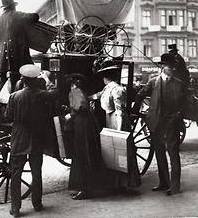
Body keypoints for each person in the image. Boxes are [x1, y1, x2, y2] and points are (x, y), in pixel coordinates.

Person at [5, 64, 59, 217]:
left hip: (19, 138)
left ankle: (15, 208)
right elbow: (55, 92)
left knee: (16, 174)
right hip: (36, 138)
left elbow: (8, 117)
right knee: (37, 172)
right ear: (35, 80)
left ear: (23, 80)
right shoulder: (41, 94)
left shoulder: (14, 96)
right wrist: (47, 79)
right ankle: (37, 204)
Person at [132, 53, 186, 196]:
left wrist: (178, 115)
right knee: (159, 153)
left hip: (172, 123)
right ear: (163, 67)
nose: (172, 69)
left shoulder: (179, 83)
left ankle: (175, 186)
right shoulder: (153, 81)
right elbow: (140, 95)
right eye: (169, 67)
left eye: (173, 67)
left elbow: (183, 104)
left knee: (173, 153)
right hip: (155, 122)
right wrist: (133, 112)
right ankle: (164, 183)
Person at [90, 62, 141, 190]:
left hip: (118, 120)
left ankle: (124, 182)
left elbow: (120, 111)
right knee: (113, 151)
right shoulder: (107, 88)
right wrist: (85, 98)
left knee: (120, 150)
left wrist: (119, 131)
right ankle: (115, 181)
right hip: (109, 118)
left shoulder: (117, 89)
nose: (102, 78)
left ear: (107, 77)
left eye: (103, 76)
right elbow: (96, 96)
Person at [64, 73, 102, 200]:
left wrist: (71, 114)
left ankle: (85, 189)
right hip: (86, 123)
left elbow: (81, 106)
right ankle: (86, 187)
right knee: (85, 153)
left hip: (82, 124)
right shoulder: (79, 90)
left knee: (82, 154)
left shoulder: (75, 91)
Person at [0, 0, 39, 94]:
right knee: (32, 78)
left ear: (4, 7)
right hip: (19, 58)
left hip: (3, 63)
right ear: (13, 6)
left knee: (2, 86)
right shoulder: (18, 15)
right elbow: (35, 16)